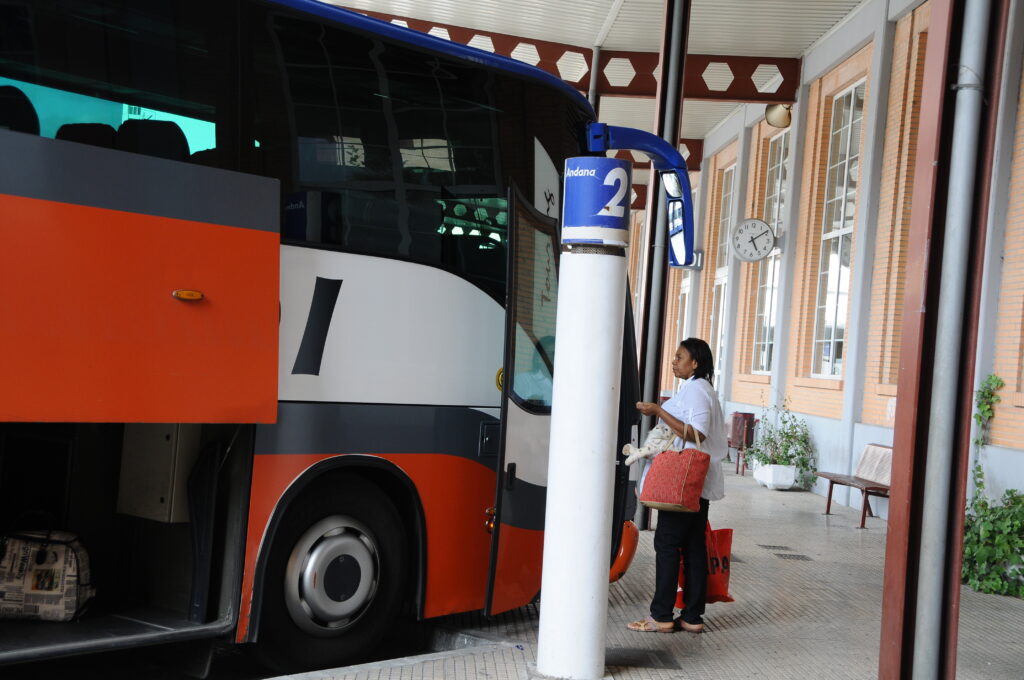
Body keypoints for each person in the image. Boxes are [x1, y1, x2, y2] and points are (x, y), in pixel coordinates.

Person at [625, 337, 727, 634]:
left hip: (684, 481)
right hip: (697, 481)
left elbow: (697, 434)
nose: (674, 361)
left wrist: (659, 411)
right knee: (693, 545)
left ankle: (662, 615)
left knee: (667, 544)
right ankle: (692, 616)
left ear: (695, 362)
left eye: (679, 356)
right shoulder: (698, 389)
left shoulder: (697, 391)